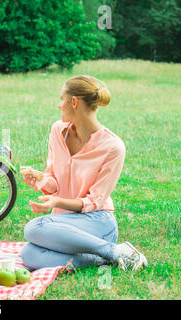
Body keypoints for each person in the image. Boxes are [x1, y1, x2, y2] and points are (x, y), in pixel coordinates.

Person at [20, 75, 148, 272]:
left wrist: (56, 202)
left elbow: (93, 202)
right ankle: (107, 257)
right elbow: (54, 180)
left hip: (97, 223)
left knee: (33, 228)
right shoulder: (58, 131)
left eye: (62, 99)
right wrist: (40, 180)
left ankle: (113, 250)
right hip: (63, 224)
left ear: (74, 102)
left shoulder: (113, 147)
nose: (59, 105)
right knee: (29, 254)